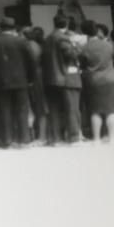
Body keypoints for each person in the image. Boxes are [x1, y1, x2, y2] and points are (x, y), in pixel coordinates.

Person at [0, 17, 34, 148]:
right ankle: (24, 140)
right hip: (21, 81)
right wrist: (30, 79)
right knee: (22, 110)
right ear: (14, 28)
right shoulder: (22, 42)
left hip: (1, 82)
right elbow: (31, 62)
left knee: (4, 110)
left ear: (0, 28)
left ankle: (7, 140)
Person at [41, 15, 82, 145]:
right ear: (67, 25)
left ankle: (55, 138)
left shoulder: (47, 38)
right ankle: (74, 137)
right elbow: (71, 54)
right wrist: (75, 44)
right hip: (66, 78)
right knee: (71, 108)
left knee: (54, 110)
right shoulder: (63, 38)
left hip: (51, 78)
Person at [80, 19, 114, 142]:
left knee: (95, 111)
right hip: (109, 79)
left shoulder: (84, 48)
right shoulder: (108, 45)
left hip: (93, 80)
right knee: (111, 110)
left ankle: (96, 139)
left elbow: (82, 65)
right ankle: (112, 139)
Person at [25, 27, 49, 144]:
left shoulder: (31, 46)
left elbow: (32, 64)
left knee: (40, 108)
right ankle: (42, 135)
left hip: (36, 79)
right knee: (41, 107)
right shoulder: (40, 45)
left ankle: (41, 136)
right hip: (41, 77)